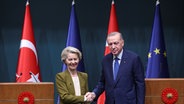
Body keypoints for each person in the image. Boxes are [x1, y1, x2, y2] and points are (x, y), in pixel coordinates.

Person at [86, 32, 145, 104]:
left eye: (116, 43)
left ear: (122, 43)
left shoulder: (133, 59)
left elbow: (140, 84)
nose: (113, 47)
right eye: (110, 44)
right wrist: (94, 94)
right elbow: (102, 82)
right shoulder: (106, 60)